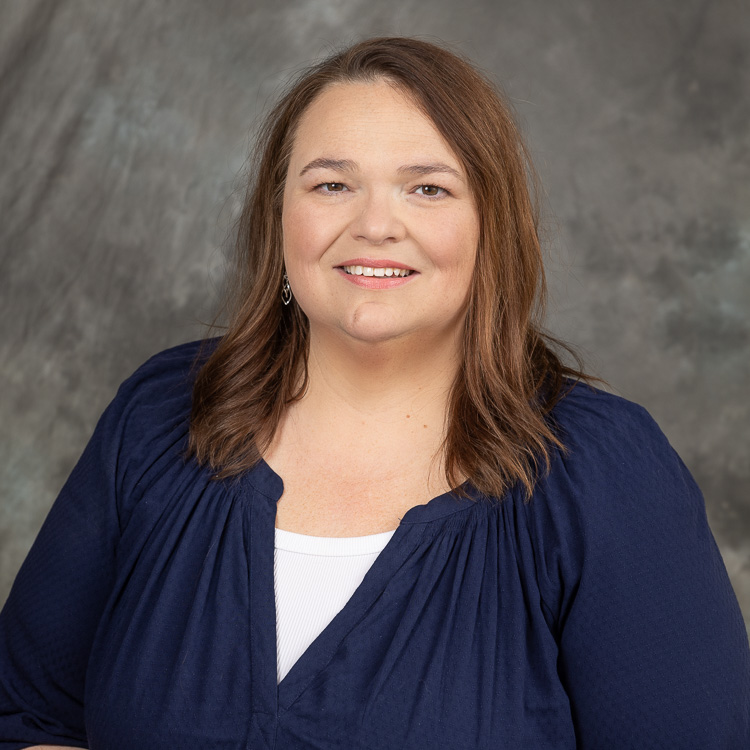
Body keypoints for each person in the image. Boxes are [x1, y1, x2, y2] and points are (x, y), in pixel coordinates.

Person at [1, 36, 748, 750]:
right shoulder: (160, 416)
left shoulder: (604, 471)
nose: (375, 225)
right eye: (332, 184)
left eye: (427, 188)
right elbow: (29, 715)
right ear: (280, 217)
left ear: (493, 228)